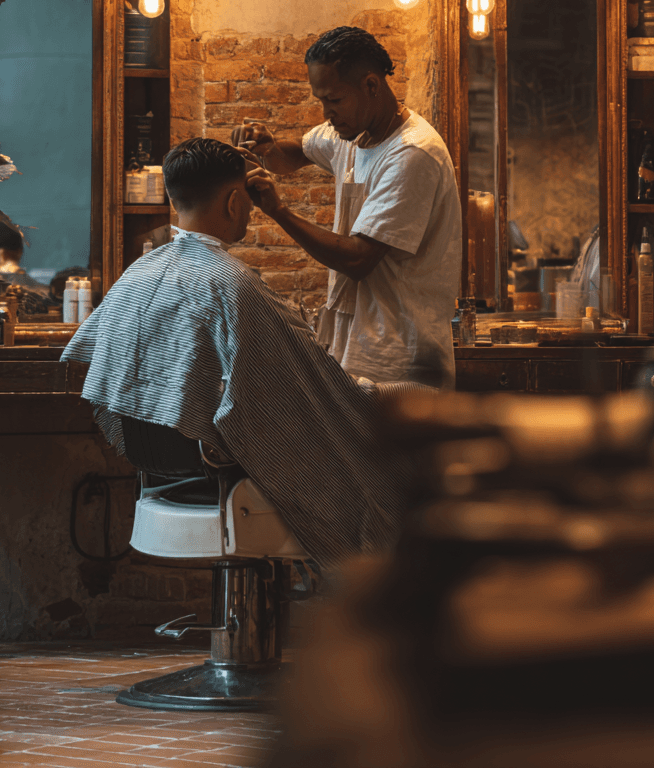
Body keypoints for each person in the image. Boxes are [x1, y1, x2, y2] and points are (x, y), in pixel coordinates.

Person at [61, 137, 409, 569]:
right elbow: (311, 383)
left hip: (160, 467)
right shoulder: (232, 282)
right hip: (217, 464)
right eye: (245, 199)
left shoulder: (137, 273)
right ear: (233, 202)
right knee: (397, 421)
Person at [231, 26, 461, 387]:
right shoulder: (351, 134)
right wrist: (267, 148)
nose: (327, 113)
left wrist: (279, 211)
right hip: (356, 345)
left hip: (401, 359)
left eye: (335, 100)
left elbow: (358, 259)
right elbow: (296, 154)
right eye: (321, 101)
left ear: (371, 86)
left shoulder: (412, 153)